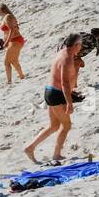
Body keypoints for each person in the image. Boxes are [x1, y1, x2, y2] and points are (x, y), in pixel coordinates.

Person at [25, 33, 80, 165]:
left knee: (54, 126)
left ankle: (30, 148)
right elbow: (64, 83)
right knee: (66, 125)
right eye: (81, 44)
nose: (82, 46)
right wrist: (69, 103)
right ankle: (56, 154)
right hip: (57, 94)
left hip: (50, 91)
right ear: (76, 45)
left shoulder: (63, 52)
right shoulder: (66, 59)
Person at [0, 4, 26, 84]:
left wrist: (6, 42)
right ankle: (21, 76)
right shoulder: (7, 17)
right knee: (14, 60)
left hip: (15, 40)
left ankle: (9, 81)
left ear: (1, 10)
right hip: (16, 40)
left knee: (6, 62)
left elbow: (12, 30)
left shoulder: (7, 17)